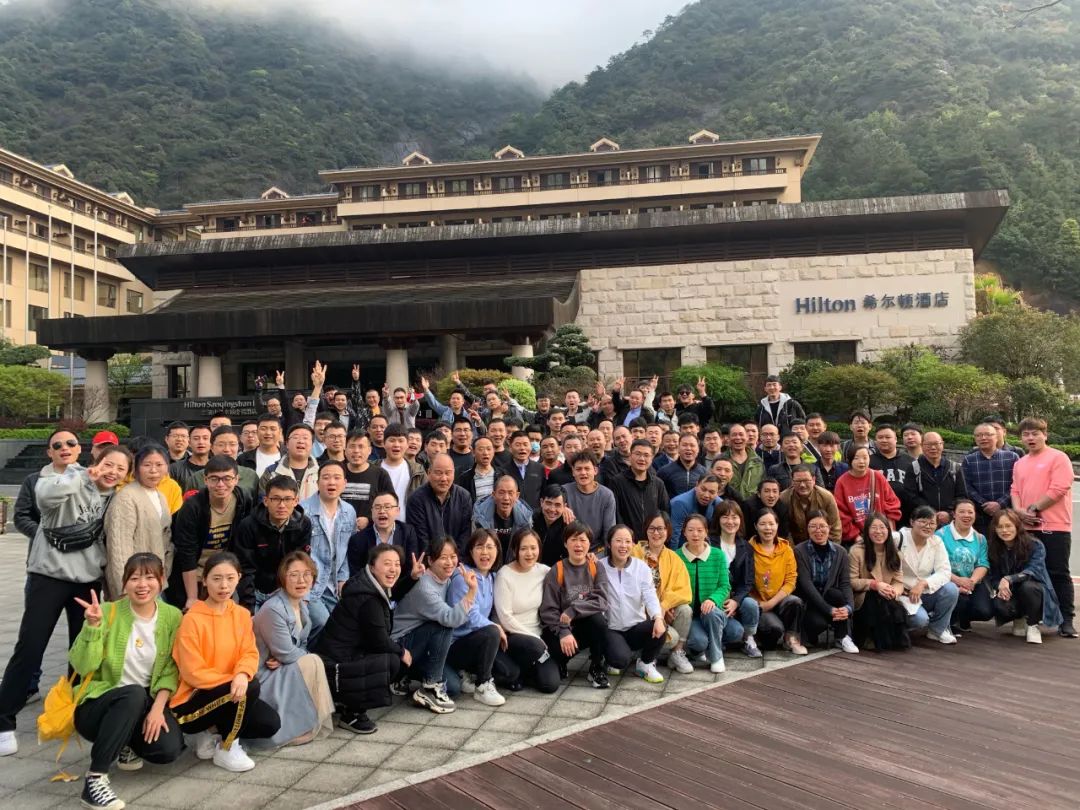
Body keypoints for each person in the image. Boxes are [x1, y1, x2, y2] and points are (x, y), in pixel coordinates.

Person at [0, 442, 132, 756]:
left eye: (120, 468)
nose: (112, 472)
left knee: (82, 650)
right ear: (96, 461)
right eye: (108, 464)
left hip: (86, 582)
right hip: (49, 577)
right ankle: (4, 720)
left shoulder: (118, 499)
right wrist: (84, 477)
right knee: (30, 647)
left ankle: (74, 711)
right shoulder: (68, 479)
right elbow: (44, 497)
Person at [66, 553, 183, 810]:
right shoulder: (107, 612)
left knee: (168, 750)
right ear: (124, 583)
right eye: (135, 578)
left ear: (161, 580)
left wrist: (157, 709)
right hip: (99, 704)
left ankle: (125, 742)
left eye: (150, 577)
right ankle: (95, 779)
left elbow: (171, 669)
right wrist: (92, 627)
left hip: (143, 703)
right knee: (133, 693)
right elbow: (83, 666)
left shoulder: (173, 616)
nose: (142, 585)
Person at [171, 552, 281, 772]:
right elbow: (192, 672)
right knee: (249, 687)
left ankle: (213, 732)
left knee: (269, 723)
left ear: (239, 578)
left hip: (229, 693)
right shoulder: (192, 619)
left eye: (230, 578)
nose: (224, 585)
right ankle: (227, 748)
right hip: (192, 701)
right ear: (204, 580)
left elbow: (249, 653)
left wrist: (241, 674)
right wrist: (235, 680)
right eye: (216, 578)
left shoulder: (241, 615)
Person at [314, 545, 412, 734]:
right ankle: (352, 712)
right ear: (372, 567)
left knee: (391, 657)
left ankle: (346, 701)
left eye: (397, 564)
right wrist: (402, 651)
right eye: (387, 564)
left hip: (341, 660)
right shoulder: (368, 598)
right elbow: (379, 641)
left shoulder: (368, 586)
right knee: (393, 661)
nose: (393, 569)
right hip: (334, 668)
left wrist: (413, 578)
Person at [251, 551, 333, 747]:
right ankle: (292, 730)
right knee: (312, 661)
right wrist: (292, 657)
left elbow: (295, 648)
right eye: (294, 575)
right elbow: (286, 653)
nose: (301, 580)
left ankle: (308, 723)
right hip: (263, 673)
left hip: (281, 665)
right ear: (283, 578)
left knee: (312, 661)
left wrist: (290, 657)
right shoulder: (273, 609)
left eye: (307, 574)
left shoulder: (301, 605)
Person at [391, 536, 479, 713]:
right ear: (430, 561)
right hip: (402, 643)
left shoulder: (446, 578)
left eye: (453, 556)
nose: (450, 562)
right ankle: (429, 687)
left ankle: (409, 676)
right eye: (443, 557)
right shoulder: (425, 587)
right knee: (444, 624)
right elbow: (450, 619)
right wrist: (471, 591)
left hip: (423, 641)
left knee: (453, 687)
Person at [1010, 416, 1075, 638]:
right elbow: (1015, 490)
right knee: (1028, 574)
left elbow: (1060, 487)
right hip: (1026, 528)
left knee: (1058, 572)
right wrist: (1019, 511)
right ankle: (1031, 619)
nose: (1030, 438)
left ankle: (1066, 620)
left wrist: (1034, 508)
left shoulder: (1059, 457)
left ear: (1045, 435)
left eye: (1035, 433)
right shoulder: (1020, 463)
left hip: (1055, 526)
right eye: (1026, 434)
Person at [171, 455, 253, 610]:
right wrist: (192, 597)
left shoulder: (243, 500)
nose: (221, 484)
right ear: (205, 480)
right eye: (214, 479)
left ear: (236, 479)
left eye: (227, 478)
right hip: (193, 575)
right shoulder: (192, 507)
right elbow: (186, 553)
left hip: (223, 573)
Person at [443, 529, 515, 705]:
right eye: (479, 547)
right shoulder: (463, 576)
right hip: (455, 644)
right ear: (470, 551)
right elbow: (470, 615)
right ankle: (483, 685)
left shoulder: (492, 577)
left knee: (510, 673)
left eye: (490, 547)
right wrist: (496, 627)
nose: (485, 552)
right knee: (491, 631)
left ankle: (468, 673)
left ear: (497, 550)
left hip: (478, 641)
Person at [539, 522, 612, 688]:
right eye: (573, 540)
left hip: (585, 624)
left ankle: (596, 667)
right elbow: (548, 609)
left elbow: (601, 599)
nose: (578, 545)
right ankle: (561, 662)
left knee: (599, 622)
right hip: (560, 627)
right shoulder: (557, 570)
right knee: (555, 658)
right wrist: (563, 630)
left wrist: (573, 610)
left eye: (583, 540)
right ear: (566, 543)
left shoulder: (596, 566)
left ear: (589, 544)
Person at [492, 528, 560, 693]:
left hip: (537, 638)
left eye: (533, 548)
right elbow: (505, 618)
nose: (529, 553)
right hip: (511, 637)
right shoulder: (504, 575)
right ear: (515, 550)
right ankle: (512, 669)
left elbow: (569, 573)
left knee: (550, 685)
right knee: (534, 647)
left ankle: (526, 670)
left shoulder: (544, 571)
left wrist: (589, 560)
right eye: (523, 548)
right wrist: (535, 638)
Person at [233, 475, 313, 612]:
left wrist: (296, 598)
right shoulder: (248, 525)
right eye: (275, 499)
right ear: (266, 501)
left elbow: (300, 563)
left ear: (296, 501)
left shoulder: (303, 524)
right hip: (255, 590)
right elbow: (246, 569)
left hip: (285, 590)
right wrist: (248, 606)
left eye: (287, 499)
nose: (281, 505)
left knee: (317, 620)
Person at [599, 525, 666, 683]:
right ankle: (609, 656)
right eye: (618, 541)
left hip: (635, 627)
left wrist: (657, 617)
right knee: (619, 660)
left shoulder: (641, 567)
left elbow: (650, 595)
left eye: (628, 541)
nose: (623, 545)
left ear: (633, 544)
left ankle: (645, 664)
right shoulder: (599, 566)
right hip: (611, 628)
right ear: (609, 543)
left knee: (660, 627)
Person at [103, 445, 172, 599]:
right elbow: (118, 548)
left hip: (155, 579)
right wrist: (124, 590)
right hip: (135, 585)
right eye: (147, 465)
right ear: (136, 468)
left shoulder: (160, 496)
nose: (153, 470)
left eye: (159, 465)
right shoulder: (126, 497)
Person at [987, 509, 1063, 644]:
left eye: (1008, 526)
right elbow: (993, 577)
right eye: (1000, 527)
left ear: (1017, 526)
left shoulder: (1035, 545)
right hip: (1012, 590)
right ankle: (1019, 617)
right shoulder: (994, 548)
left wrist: (1009, 579)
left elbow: (1033, 571)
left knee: (1028, 588)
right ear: (995, 529)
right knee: (998, 603)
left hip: (1037, 591)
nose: (1004, 530)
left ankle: (1033, 625)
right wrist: (1000, 587)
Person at [302, 461, 356, 637]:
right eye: (326, 477)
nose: (331, 482)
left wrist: (343, 578)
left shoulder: (349, 511)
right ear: (317, 482)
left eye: (336, 478)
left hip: (334, 585)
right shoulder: (303, 510)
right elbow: (298, 555)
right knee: (323, 623)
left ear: (345, 483)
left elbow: (348, 550)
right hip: (311, 585)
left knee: (346, 626)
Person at [794, 511, 858, 653]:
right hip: (811, 602)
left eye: (822, 526)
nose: (818, 530)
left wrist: (848, 608)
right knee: (818, 624)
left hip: (830, 599)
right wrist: (828, 609)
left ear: (829, 527)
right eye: (813, 526)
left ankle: (842, 637)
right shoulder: (799, 551)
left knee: (836, 594)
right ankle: (809, 635)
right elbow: (806, 584)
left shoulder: (841, 552)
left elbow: (845, 583)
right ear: (807, 528)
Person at [896, 505, 959, 644]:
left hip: (922, 591)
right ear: (912, 522)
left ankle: (937, 630)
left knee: (951, 589)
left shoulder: (936, 541)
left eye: (932, 523)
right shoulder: (898, 537)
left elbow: (944, 571)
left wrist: (924, 583)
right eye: (923, 521)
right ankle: (898, 628)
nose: (927, 526)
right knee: (920, 620)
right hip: (901, 594)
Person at [676, 514, 730, 672]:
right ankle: (697, 650)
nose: (695, 534)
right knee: (698, 641)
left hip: (712, 612)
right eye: (690, 530)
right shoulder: (676, 556)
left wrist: (712, 599)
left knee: (731, 628)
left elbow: (725, 586)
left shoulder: (718, 555)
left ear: (706, 532)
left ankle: (716, 657)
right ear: (684, 532)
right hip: (691, 615)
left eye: (700, 530)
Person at [748, 509, 807, 654]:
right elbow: (744, 582)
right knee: (774, 630)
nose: (768, 528)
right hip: (758, 604)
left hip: (779, 600)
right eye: (763, 524)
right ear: (755, 526)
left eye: (771, 524)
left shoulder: (786, 549)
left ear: (777, 525)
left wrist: (772, 603)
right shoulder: (748, 549)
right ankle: (760, 636)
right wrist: (759, 603)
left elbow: (791, 580)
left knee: (795, 602)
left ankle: (791, 639)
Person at [708, 501, 762, 658]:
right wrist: (719, 600)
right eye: (725, 517)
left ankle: (749, 639)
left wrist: (736, 601)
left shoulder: (746, 547)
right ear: (717, 519)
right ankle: (715, 640)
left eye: (734, 517)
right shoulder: (709, 544)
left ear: (740, 520)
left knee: (751, 604)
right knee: (734, 631)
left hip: (735, 598)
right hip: (714, 598)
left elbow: (748, 582)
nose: (730, 522)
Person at [849, 513, 909, 651]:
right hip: (863, 596)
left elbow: (898, 581)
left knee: (892, 605)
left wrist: (893, 591)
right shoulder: (856, 551)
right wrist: (874, 585)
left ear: (888, 530)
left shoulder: (895, 553)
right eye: (874, 528)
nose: (878, 531)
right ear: (867, 531)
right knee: (874, 600)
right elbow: (851, 581)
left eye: (882, 527)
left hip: (886, 595)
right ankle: (868, 638)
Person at [936, 499, 994, 633]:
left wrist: (971, 581)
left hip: (971, 582)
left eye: (970, 512)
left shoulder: (980, 538)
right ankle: (948, 621)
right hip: (947, 581)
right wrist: (957, 581)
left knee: (985, 611)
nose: (966, 515)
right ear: (954, 514)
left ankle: (963, 619)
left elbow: (983, 563)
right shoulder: (940, 535)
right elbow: (936, 566)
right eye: (961, 512)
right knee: (960, 600)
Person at [406, 453, 474, 554]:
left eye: (448, 473)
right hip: (429, 559)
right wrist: (438, 559)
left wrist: (453, 558)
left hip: (457, 559)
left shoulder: (464, 497)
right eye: (438, 473)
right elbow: (421, 540)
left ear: (454, 473)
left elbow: (465, 536)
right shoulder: (416, 499)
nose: (443, 478)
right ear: (428, 473)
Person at [834, 447, 901, 546]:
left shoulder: (878, 476)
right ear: (849, 460)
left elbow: (892, 503)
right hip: (858, 538)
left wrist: (890, 531)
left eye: (865, 457)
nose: (861, 461)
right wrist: (856, 536)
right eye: (856, 458)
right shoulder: (842, 482)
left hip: (881, 533)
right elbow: (841, 514)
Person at [962, 422, 1018, 537]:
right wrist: (984, 504)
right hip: (980, 515)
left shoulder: (1012, 457)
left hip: (1007, 514)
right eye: (979, 435)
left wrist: (1000, 503)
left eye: (988, 434)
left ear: (996, 437)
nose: (983, 438)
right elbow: (966, 486)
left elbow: (1017, 484)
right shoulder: (969, 460)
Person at [606, 439, 670, 540]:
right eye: (638, 454)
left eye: (646, 455)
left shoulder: (658, 484)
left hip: (653, 540)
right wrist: (625, 537)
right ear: (630, 456)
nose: (642, 458)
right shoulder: (617, 482)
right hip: (628, 541)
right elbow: (616, 514)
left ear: (652, 458)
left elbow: (665, 512)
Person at [346, 490, 421, 574]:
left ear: (397, 511)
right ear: (372, 511)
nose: (382, 511)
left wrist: (413, 576)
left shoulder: (407, 532)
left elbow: (410, 569)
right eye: (377, 507)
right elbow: (356, 575)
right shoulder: (358, 540)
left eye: (387, 507)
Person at [561, 452, 616, 548]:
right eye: (578, 469)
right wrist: (560, 508)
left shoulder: (607, 495)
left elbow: (609, 532)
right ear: (573, 471)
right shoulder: (563, 491)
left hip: (597, 549)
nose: (583, 473)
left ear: (595, 470)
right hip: (569, 548)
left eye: (587, 468)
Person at [912, 432, 967, 527]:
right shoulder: (914, 468)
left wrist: (949, 514)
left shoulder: (954, 468)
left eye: (936, 444)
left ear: (942, 444)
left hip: (949, 522)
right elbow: (911, 495)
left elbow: (962, 495)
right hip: (924, 520)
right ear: (921, 446)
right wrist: (930, 512)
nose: (933, 448)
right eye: (928, 444)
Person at [473, 475, 533, 557]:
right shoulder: (480, 516)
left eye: (510, 493)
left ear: (517, 496)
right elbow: (476, 547)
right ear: (493, 495)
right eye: (501, 492)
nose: (506, 498)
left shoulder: (525, 517)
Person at [780, 465, 842, 545]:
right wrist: (793, 551)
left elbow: (835, 529)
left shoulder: (826, 497)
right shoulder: (783, 499)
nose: (802, 485)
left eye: (806, 481)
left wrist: (829, 549)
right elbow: (785, 532)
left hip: (822, 543)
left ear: (813, 480)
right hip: (795, 545)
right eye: (798, 481)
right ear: (792, 482)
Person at [193, 426, 261, 499]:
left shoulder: (250, 475)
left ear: (238, 447)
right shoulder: (196, 478)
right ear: (211, 447)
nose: (227, 449)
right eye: (221, 445)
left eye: (232, 444)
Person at [259, 423, 320, 502]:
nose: (301, 441)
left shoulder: (321, 472)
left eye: (305, 438)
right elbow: (263, 502)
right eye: (296, 437)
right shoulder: (271, 472)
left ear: (312, 444)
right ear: (287, 443)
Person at [377, 424, 425, 521]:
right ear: (383, 443)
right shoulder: (373, 468)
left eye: (401, 441)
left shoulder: (418, 470)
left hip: (408, 526)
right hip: (378, 525)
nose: (396, 444)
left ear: (407, 444)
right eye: (392, 440)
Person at [669, 474, 722, 547]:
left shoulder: (719, 504)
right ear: (696, 486)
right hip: (682, 546)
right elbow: (674, 535)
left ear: (717, 493)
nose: (706, 495)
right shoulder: (680, 503)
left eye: (711, 492)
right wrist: (673, 554)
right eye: (703, 489)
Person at [723, 423, 765, 501]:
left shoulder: (757, 461)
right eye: (734, 435)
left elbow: (762, 486)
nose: (738, 437)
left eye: (741, 434)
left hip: (752, 505)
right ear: (728, 438)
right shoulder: (721, 460)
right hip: (729, 505)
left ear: (746, 437)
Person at [657, 433, 707, 498]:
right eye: (684, 445)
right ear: (678, 448)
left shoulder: (704, 473)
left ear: (698, 449)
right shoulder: (664, 472)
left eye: (692, 445)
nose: (688, 448)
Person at [169, 424, 211, 493]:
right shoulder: (174, 469)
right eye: (196, 438)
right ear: (189, 442)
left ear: (212, 442)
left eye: (205, 438)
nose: (201, 442)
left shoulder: (218, 469)